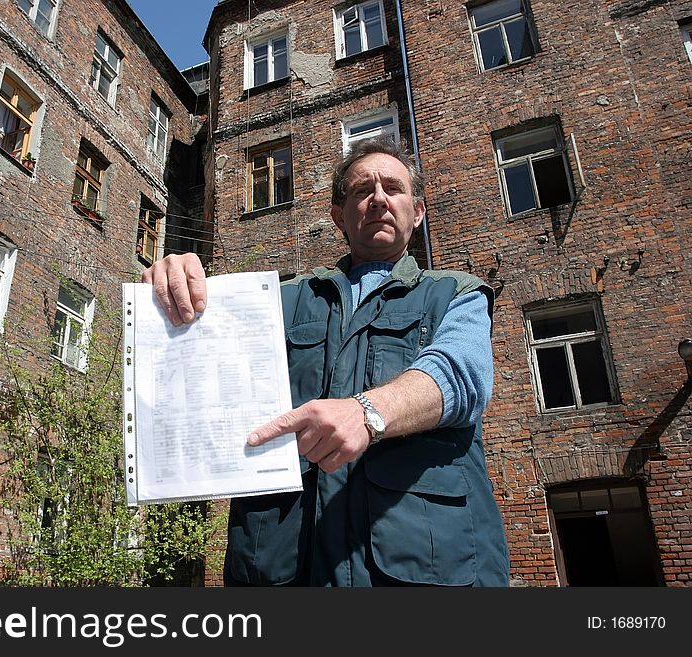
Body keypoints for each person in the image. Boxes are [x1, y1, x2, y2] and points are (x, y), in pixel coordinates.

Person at [142, 136, 510, 586]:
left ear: (417, 212)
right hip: (284, 571)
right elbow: (197, 357)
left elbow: (461, 376)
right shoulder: (282, 300)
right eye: (361, 190)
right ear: (339, 216)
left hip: (422, 572)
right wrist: (174, 279)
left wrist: (368, 413)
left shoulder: (456, 293)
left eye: (393, 188)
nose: (377, 199)